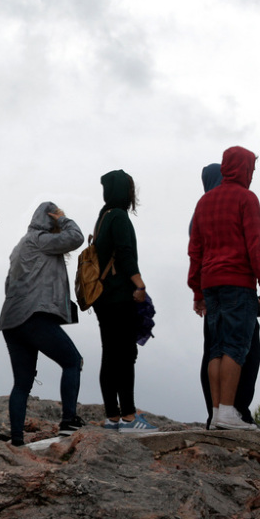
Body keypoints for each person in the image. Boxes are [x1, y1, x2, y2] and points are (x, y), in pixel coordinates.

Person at [189, 146, 260, 430]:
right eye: (251, 168)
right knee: (236, 348)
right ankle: (228, 412)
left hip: (211, 283)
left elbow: (195, 251)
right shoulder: (246, 199)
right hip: (237, 282)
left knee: (215, 349)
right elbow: (256, 246)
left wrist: (197, 291)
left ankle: (216, 414)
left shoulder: (204, 202)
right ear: (244, 168)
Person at [0, 202, 86, 446]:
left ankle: (16, 441)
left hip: (11, 320)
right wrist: (63, 219)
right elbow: (76, 238)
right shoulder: (41, 239)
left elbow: (8, 285)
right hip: (33, 317)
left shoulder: (19, 247)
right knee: (72, 361)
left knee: (22, 384)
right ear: (50, 220)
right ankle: (69, 421)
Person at [93, 170, 158, 433]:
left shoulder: (103, 217)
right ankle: (130, 417)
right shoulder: (119, 217)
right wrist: (139, 284)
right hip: (120, 296)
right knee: (125, 355)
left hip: (102, 297)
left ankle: (112, 417)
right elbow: (125, 254)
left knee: (110, 355)